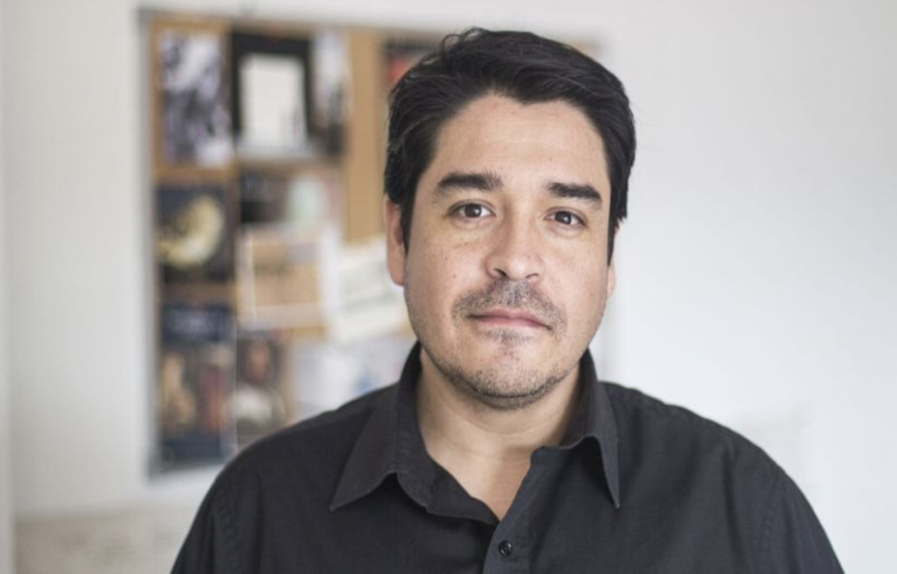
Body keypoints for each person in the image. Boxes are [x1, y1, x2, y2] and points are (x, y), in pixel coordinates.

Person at [173, 28, 844, 573]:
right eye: (473, 208)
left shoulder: (745, 511)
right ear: (399, 238)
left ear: (609, 259)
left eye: (565, 217)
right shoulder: (256, 515)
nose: (517, 258)